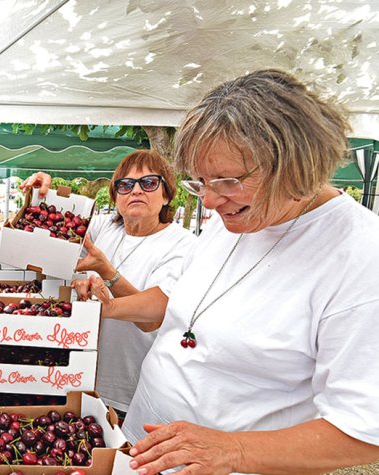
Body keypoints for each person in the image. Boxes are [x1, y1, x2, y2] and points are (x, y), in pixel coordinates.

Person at [74, 70, 379, 474]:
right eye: (201, 182)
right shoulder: (232, 220)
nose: (212, 201)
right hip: (139, 445)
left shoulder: (360, 255)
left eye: (228, 182)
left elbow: (362, 430)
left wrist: (232, 450)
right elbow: (179, 309)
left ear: (295, 163)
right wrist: (108, 307)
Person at [21, 149, 196, 420]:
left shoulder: (183, 244)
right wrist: (41, 193)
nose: (135, 191)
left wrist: (106, 274)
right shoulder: (104, 228)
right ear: (115, 197)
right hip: (75, 379)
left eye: (148, 183)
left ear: (167, 194)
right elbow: (49, 233)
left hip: (130, 392)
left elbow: (154, 313)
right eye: (125, 185)